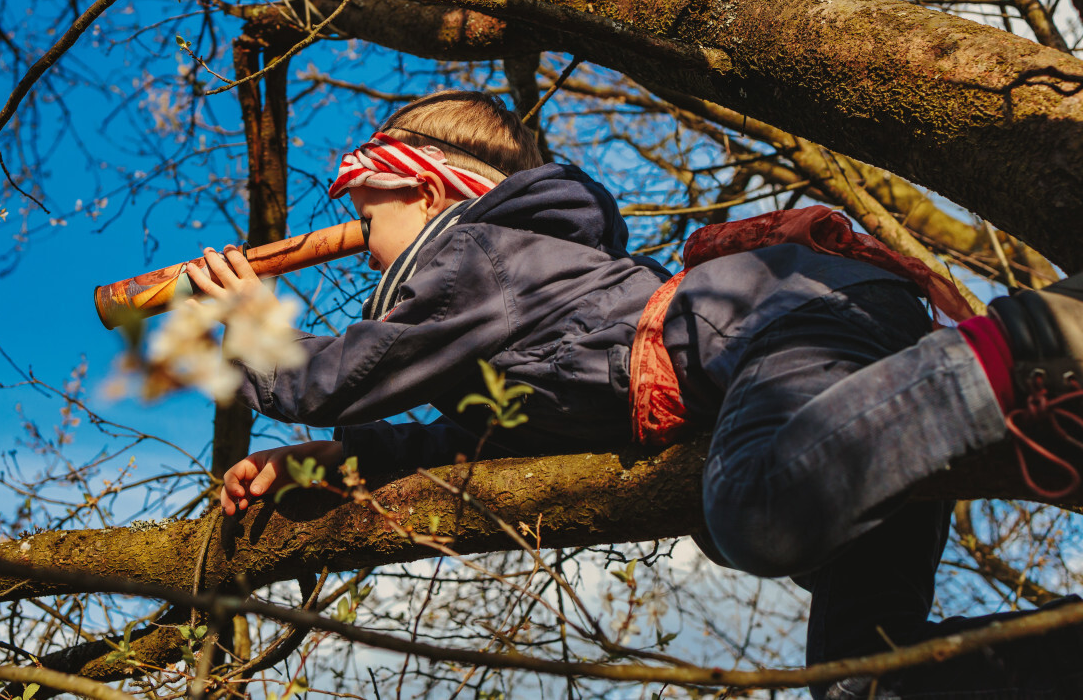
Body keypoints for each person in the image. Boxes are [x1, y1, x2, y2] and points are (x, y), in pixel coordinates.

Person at [185, 89, 1083, 698]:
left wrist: (244, 315)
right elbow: (470, 443)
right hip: (843, 380)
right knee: (863, 677)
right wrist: (335, 465)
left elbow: (316, 380)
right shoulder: (491, 322)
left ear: (422, 186)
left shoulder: (475, 258)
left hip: (781, 321)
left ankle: (1030, 341)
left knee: (755, 510)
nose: (350, 218)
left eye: (357, 192)